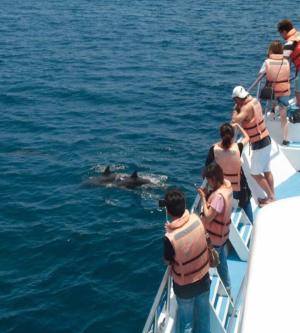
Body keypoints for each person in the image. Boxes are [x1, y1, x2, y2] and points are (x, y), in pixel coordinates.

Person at [163, 189, 211, 333]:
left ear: (169, 212)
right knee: (204, 317)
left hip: (185, 286)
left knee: (187, 324)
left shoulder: (170, 237)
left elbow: (167, 261)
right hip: (203, 278)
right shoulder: (197, 220)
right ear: (184, 205)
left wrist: (169, 230)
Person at [231, 85, 275, 206]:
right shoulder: (255, 101)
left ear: (237, 99)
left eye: (235, 100)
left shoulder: (245, 108)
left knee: (255, 173)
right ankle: (272, 196)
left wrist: (235, 109)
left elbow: (235, 120)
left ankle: (271, 197)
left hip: (259, 143)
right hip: (266, 139)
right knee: (267, 171)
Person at [205, 122, 253, 223]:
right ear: (232, 136)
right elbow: (247, 137)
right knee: (246, 202)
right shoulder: (238, 147)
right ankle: (251, 223)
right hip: (238, 186)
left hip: (222, 186)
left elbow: (208, 167)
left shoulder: (214, 149)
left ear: (221, 135)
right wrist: (239, 126)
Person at [197, 163, 233, 295]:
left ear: (213, 179)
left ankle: (204, 294)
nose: (208, 183)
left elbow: (207, 217)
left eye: (208, 180)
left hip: (214, 239)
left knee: (207, 267)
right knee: (222, 264)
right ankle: (228, 289)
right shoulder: (227, 185)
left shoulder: (218, 197)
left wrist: (203, 197)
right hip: (223, 236)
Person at [258, 40, 291, 145]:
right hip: (284, 90)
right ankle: (285, 139)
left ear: (270, 50)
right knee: (283, 115)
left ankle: (268, 131)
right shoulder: (286, 61)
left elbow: (261, 73)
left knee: (270, 107)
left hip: (272, 92)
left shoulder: (267, 62)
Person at [278, 19, 300, 107]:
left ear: (284, 32)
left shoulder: (290, 43)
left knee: (298, 90)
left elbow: (282, 61)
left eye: (281, 34)